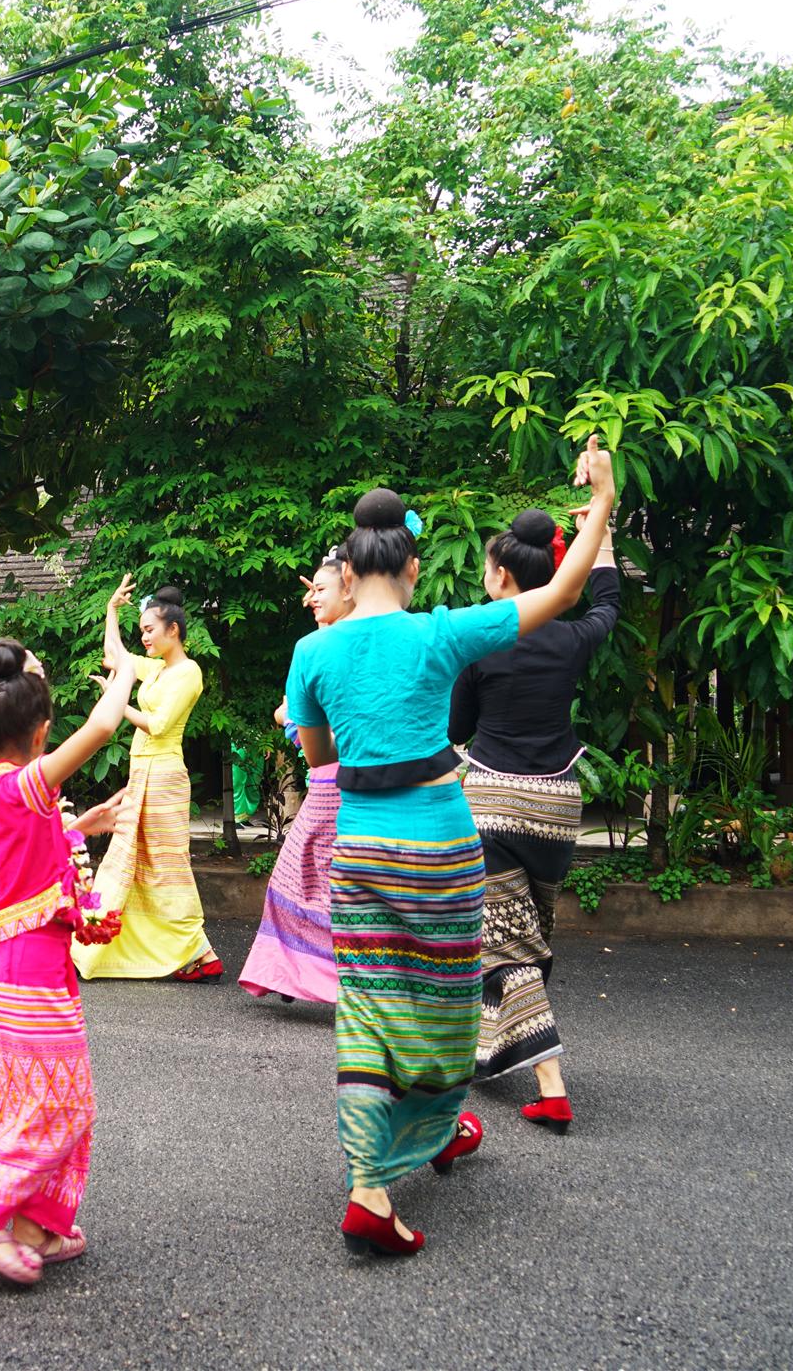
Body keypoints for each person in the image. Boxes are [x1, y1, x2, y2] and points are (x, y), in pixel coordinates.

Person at [286, 437, 615, 1257]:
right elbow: (571, 589)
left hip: (359, 849)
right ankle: (432, 1128)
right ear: (412, 566)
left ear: (349, 570)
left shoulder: (312, 651)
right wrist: (604, 501)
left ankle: (374, 1182)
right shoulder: (444, 633)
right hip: (439, 845)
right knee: (442, 1006)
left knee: (365, 1009)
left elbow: (320, 758)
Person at [0, 640, 134, 1285]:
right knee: (59, 1101)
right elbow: (105, 725)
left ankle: (32, 1227)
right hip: (31, 971)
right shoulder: (27, 786)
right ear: (44, 733)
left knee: (19, 1096)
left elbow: (32, 858)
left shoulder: (0, 795)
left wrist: (81, 828)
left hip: (16, 965)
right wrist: (129, 670)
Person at [451, 506, 621, 1130]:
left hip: (492, 800)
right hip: (558, 804)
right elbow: (606, 601)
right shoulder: (573, 636)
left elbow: (456, 729)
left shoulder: (479, 640)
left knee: (507, 942)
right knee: (524, 932)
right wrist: (600, 536)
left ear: (499, 575)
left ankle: (551, 1086)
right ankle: (480, 1046)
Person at [73, 579, 222, 982]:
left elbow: (157, 725)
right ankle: (105, 941)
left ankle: (199, 951)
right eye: (141, 631)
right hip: (143, 773)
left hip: (165, 777)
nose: (144, 637)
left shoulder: (189, 672)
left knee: (165, 865)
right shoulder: (156, 668)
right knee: (131, 860)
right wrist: (111, 611)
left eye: (150, 630)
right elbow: (112, 659)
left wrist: (117, 703)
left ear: (173, 630)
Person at [240, 549, 353, 1005]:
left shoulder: (351, 644)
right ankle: (292, 971)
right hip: (326, 781)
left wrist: (291, 717)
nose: (312, 598)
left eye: (322, 590)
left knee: (316, 884)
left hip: (340, 783)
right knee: (298, 881)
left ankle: (307, 972)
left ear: (351, 587)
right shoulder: (325, 643)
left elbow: (322, 722)